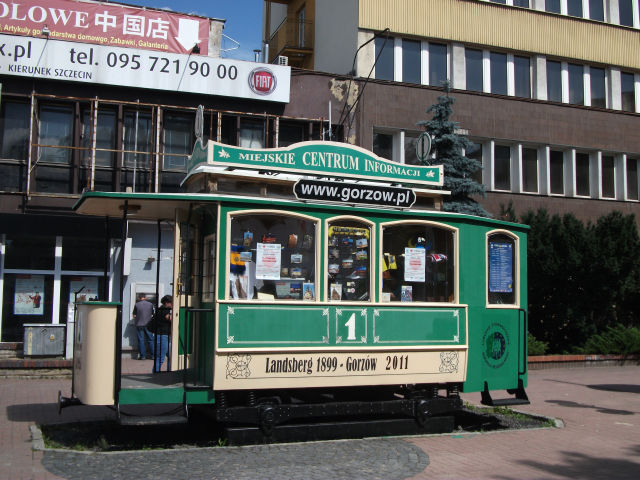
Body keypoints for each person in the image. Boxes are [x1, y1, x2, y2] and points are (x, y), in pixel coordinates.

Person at [150, 295, 172, 373]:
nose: (172, 304)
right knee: (160, 357)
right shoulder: (163, 310)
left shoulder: (163, 309)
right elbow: (170, 319)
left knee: (171, 356)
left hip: (166, 336)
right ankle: (155, 373)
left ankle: (170, 371)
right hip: (162, 336)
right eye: (171, 303)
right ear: (166, 303)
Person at [132, 294, 154, 360]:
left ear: (139, 298)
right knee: (151, 340)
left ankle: (143, 356)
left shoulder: (137, 305)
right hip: (148, 324)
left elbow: (134, 315)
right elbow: (152, 313)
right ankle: (153, 355)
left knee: (141, 340)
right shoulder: (150, 304)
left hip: (139, 324)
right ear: (145, 297)